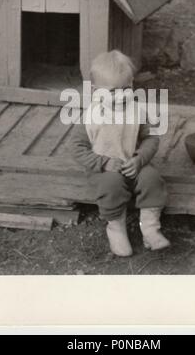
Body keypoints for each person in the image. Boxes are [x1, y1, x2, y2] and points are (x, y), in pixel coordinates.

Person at [71, 50, 170, 257]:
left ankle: (150, 227)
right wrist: (103, 162)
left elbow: (151, 138)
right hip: (104, 169)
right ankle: (116, 228)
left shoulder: (137, 111)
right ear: (97, 92)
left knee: (152, 178)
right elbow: (77, 148)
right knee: (111, 185)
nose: (122, 95)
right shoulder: (91, 117)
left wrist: (139, 159)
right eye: (113, 91)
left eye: (127, 88)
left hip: (132, 162)